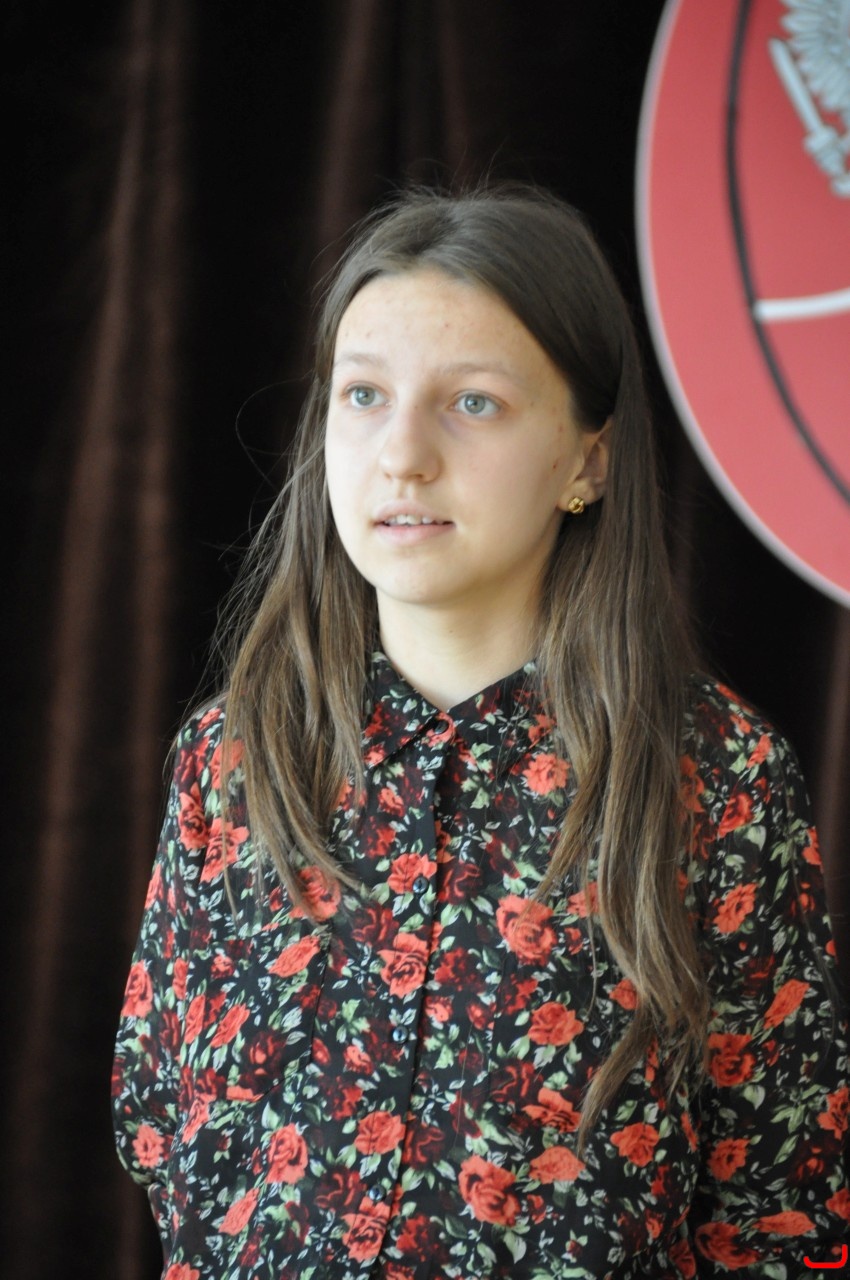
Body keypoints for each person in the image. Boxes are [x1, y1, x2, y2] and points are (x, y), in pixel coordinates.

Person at [112, 186, 849, 1279]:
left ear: (588, 460)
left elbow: (779, 1209)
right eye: (364, 394)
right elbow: (155, 1118)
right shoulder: (235, 755)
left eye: (473, 402)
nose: (401, 453)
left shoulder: (716, 777)